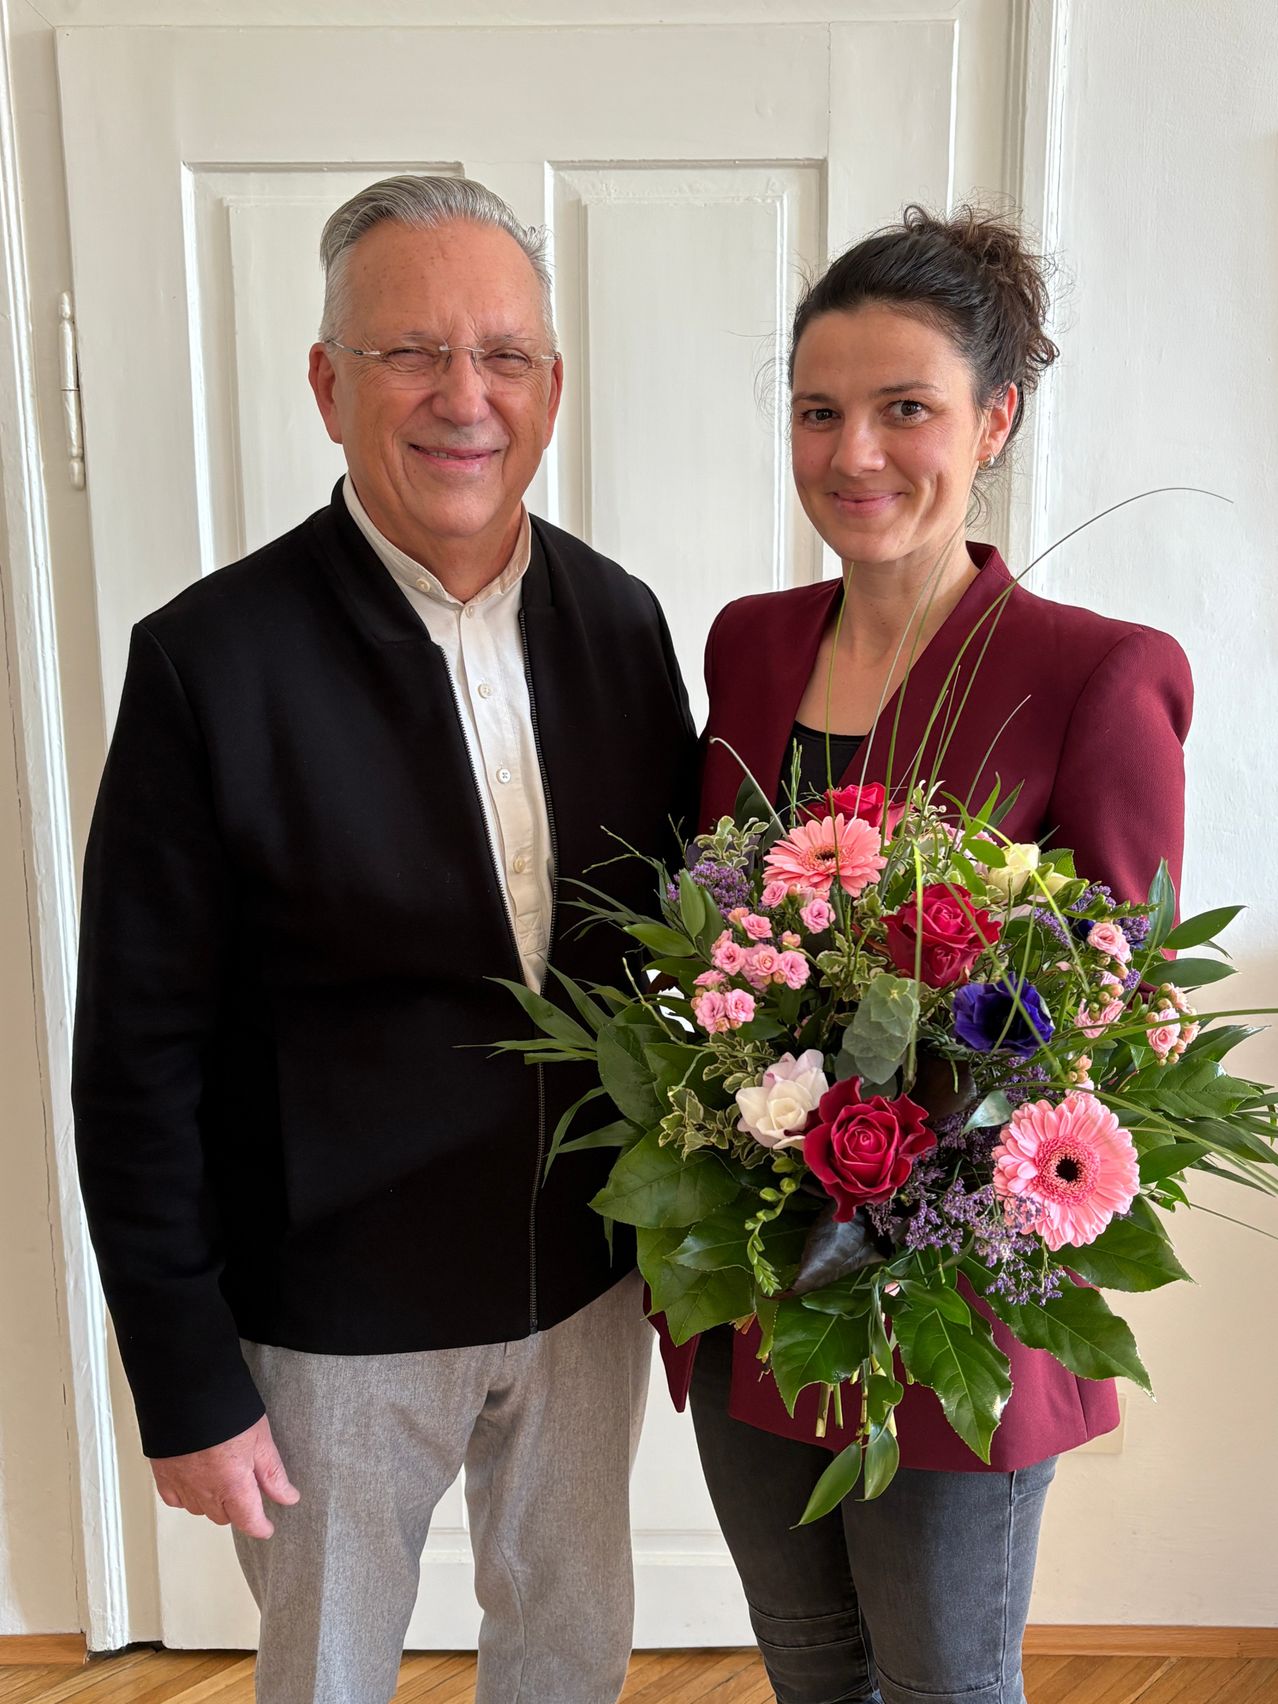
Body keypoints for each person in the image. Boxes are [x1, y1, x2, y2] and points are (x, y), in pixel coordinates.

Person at [73, 174, 696, 1704]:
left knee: (567, 1658)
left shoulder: (622, 625)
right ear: (326, 383)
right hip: (326, 1319)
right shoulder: (208, 661)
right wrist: (183, 1381)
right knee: (327, 1681)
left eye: (504, 354)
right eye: (409, 352)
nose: (462, 397)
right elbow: (131, 1057)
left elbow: (673, 959)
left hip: (584, 1289)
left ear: (553, 384)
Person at [661, 207, 1193, 1704]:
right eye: (819, 411)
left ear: (994, 418)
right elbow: (709, 932)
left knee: (945, 1682)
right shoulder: (749, 646)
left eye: (907, 409)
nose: (856, 455)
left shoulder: (1090, 670)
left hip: (951, 1302)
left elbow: (1117, 1018)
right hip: (756, 1271)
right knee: (811, 1670)